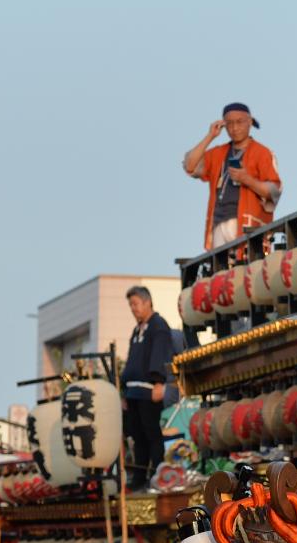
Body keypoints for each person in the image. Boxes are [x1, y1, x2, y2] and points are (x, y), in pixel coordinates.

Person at [183, 103, 282, 250]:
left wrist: (247, 180)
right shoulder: (218, 153)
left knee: (246, 270)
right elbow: (190, 165)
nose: (234, 128)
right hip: (218, 223)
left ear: (250, 122)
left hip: (249, 225)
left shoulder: (262, 153)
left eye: (239, 122)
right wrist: (210, 136)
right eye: (229, 123)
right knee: (222, 270)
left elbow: (274, 191)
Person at [121, 285, 179, 478]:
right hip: (133, 391)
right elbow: (131, 360)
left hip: (149, 389)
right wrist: (123, 390)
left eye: (136, 304)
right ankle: (139, 476)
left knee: (151, 434)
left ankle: (156, 473)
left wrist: (159, 381)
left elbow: (161, 354)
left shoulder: (158, 325)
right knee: (138, 436)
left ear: (147, 302)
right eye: (130, 305)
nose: (133, 308)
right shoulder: (137, 330)